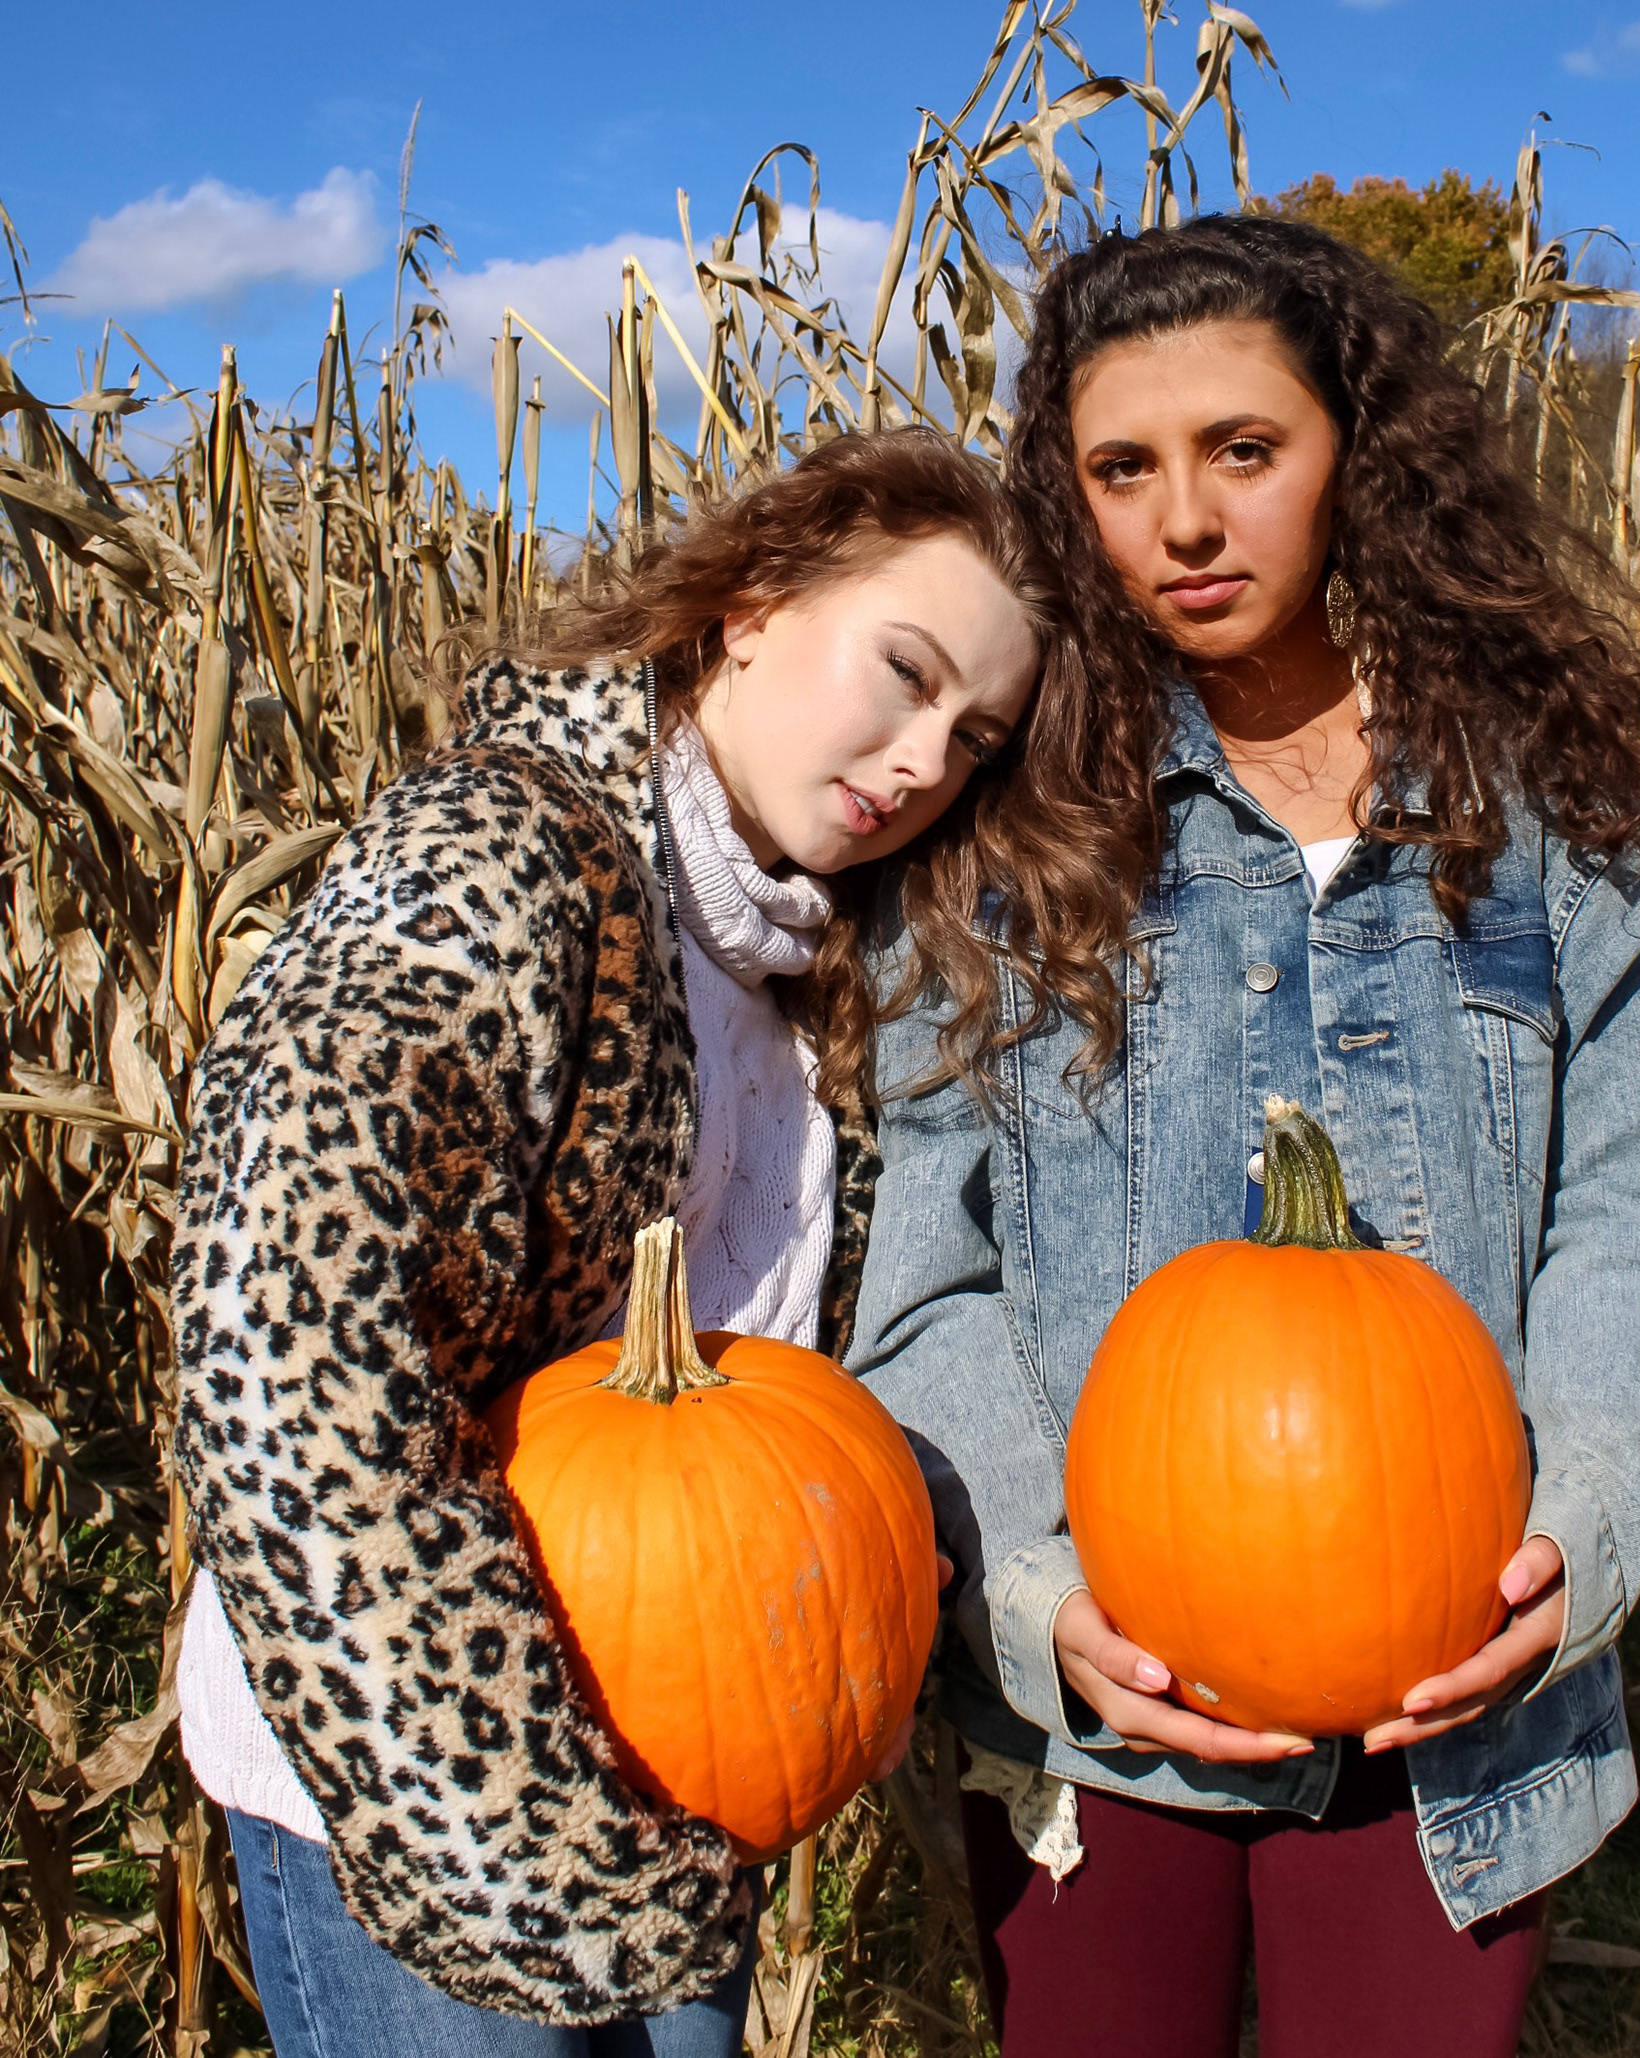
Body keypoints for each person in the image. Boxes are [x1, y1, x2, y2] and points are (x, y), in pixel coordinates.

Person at [847, 216, 1640, 2058]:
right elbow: (929, 1275)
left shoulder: (1549, 811)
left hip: (1456, 1701)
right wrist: (1033, 1592)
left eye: (1243, 449)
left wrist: (1577, 1525)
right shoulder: (1012, 837)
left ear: (1358, 452)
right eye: (1123, 467)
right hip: (1104, 1708)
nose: (1185, 521)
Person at [170, 428, 1104, 2057]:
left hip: (686, 1784)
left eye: (972, 737)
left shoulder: (815, 958)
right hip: (431, 1800)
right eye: (905, 672)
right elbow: (285, 1351)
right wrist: (518, 1845)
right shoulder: (499, 865)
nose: (921, 761)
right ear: (753, 603)